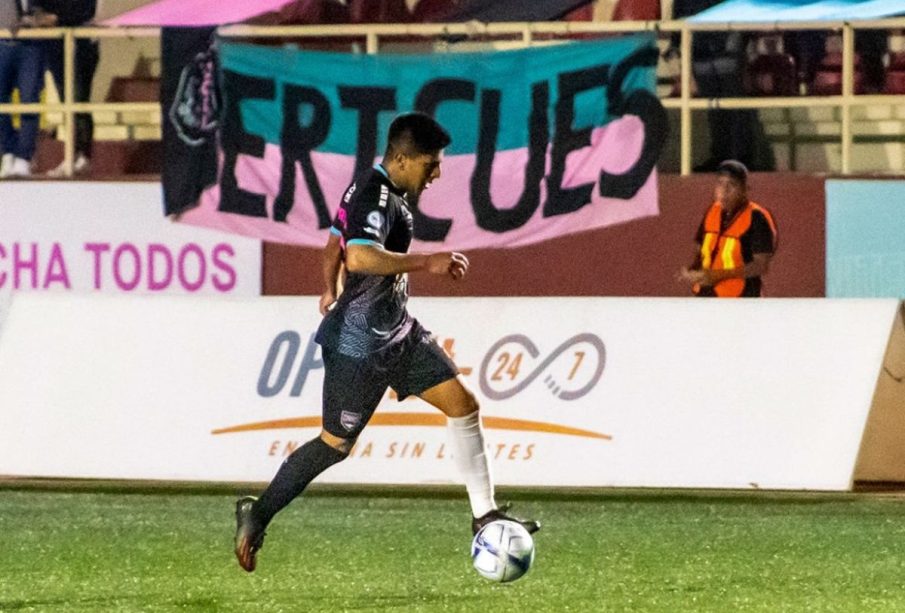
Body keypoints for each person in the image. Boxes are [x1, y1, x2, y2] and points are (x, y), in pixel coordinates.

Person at [233, 112, 540, 573]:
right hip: (359, 345)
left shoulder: (369, 188)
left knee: (463, 405)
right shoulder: (376, 196)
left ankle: (484, 515)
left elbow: (333, 244)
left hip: (397, 332)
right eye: (430, 164)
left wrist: (327, 288)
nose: (436, 173)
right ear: (400, 158)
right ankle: (256, 514)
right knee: (335, 445)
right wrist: (426, 263)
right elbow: (357, 254)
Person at [678, 160, 778, 297]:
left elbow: (760, 265)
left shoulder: (757, 217)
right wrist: (693, 269)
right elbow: (701, 246)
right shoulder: (712, 211)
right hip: (705, 295)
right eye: (720, 184)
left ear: (745, 190)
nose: (724, 191)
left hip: (740, 299)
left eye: (732, 185)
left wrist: (718, 275)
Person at [32, 0, 98, 176]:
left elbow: (86, 10)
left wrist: (56, 18)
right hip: (55, 43)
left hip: (81, 42)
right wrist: (39, 15)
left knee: (78, 98)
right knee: (65, 99)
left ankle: (82, 156)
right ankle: (73, 156)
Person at [0, 0, 45, 179]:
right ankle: (8, 151)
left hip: (31, 44)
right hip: (3, 40)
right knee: (1, 100)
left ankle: (24, 157)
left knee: (30, 99)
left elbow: (49, 8)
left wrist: (36, 18)